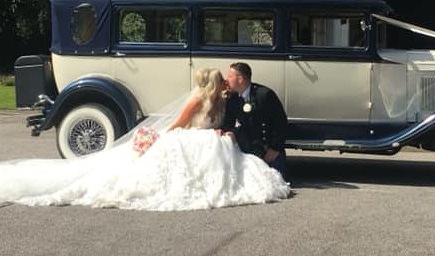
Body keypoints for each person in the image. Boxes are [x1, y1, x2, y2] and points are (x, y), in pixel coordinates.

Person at [0, 68, 290, 211]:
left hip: (212, 141)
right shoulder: (196, 102)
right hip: (191, 138)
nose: (226, 84)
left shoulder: (223, 101)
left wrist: (223, 131)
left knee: (225, 150)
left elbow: (227, 122)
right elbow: (177, 124)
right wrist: (155, 138)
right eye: (222, 80)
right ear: (215, 84)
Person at [222, 62, 288, 179]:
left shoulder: (264, 95)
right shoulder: (233, 99)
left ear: (240, 78)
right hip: (248, 151)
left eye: (230, 76)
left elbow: (280, 123)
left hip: (269, 151)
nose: (226, 80)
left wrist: (274, 149)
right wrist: (229, 132)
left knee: (273, 181)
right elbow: (227, 124)